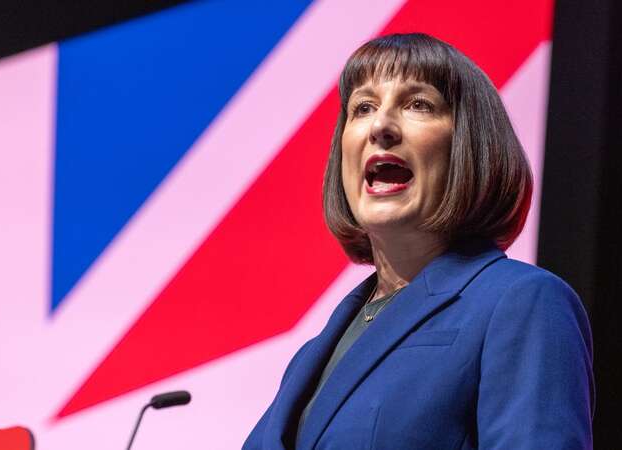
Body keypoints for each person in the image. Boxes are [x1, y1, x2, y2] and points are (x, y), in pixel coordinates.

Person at [243, 33, 594, 450]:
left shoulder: (521, 303)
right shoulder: (313, 354)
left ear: (469, 145)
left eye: (417, 105)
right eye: (363, 107)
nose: (381, 126)